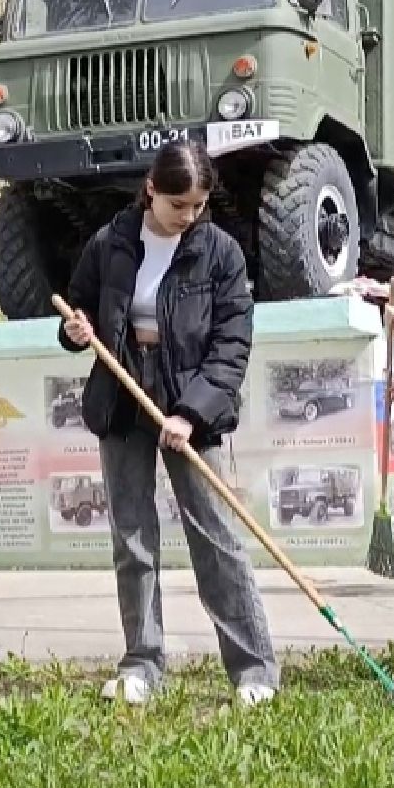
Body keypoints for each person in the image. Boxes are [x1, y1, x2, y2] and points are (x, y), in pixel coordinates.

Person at [58, 139, 280, 708]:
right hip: (123, 392)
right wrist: (77, 330)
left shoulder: (221, 254)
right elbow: (76, 308)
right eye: (178, 204)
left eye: (198, 206)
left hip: (190, 402)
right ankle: (142, 662)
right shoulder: (111, 242)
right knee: (132, 539)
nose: (188, 216)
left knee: (217, 539)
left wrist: (191, 412)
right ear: (151, 189)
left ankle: (254, 670)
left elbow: (233, 345)